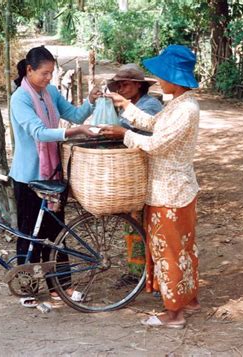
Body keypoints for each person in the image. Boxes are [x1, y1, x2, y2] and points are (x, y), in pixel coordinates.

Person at [100, 45, 201, 328]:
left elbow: (156, 144)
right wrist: (127, 107)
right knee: (183, 248)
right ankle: (188, 299)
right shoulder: (180, 105)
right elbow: (155, 124)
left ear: (175, 78)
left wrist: (125, 134)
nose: (159, 81)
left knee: (167, 249)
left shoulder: (185, 110)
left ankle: (173, 314)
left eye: (162, 76)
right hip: (177, 189)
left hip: (169, 191)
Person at [9, 46, 102, 307]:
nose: (49, 78)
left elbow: (72, 115)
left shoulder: (49, 92)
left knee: (57, 231)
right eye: (44, 73)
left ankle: (61, 286)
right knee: (30, 233)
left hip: (51, 175)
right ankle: (27, 287)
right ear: (29, 70)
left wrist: (90, 102)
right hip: (28, 177)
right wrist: (72, 133)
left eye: (51, 73)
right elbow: (38, 133)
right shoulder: (20, 99)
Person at [107, 64, 163, 281]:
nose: (121, 88)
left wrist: (121, 131)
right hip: (132, 172)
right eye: (119, 84)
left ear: (139, 85)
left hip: (148, 170)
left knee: (149, 224)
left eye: (126, 84)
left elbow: (142, 131)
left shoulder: (149, 106)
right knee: (133, 223)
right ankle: (137, 273)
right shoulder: (128, 105)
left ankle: (154, 276)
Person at [106, 63, 162, 135]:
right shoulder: (126, 105)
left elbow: (138, 126)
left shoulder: (151, 104)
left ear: (138, 84)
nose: (121, 90)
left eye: (125, 85)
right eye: (119, 86)